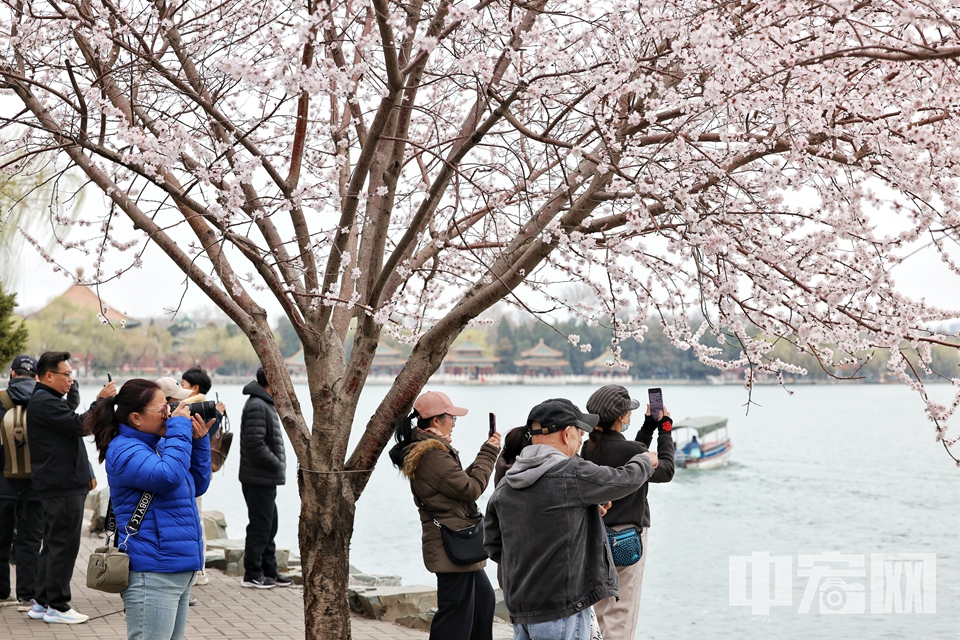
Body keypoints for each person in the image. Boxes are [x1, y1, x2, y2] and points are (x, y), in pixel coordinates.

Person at [484, 398, 658, 640]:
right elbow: (622, 480)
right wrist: (645, 461)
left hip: (522, 608)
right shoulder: (571, 473)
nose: (582, 440)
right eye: (580, 433)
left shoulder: (506, 484)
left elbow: (493, 544)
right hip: (562, 607)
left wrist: (579, 513)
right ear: (567, 435)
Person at [87, 378, 212, 640]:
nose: (170, 413)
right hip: (152, 573)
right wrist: (178, 427)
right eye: (162, 410)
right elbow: (167, 477)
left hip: (178, 568)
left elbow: (196, 485)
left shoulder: (159, 444)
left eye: (170, 407)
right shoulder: (123, 450)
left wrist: (198, 441)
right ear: (136, 418)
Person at [389, 390, 500, 640]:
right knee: (455, 617)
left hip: (457, 541)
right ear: (436, 420)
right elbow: (470, 489)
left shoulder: (434, 450)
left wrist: (485, 450)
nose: (454, 423)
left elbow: (458, 484)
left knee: (483, 601)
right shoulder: (431, 454)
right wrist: (490, 453)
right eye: (452, 418)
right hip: (450, 546)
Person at [26, 351, 115, 624]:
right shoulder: (44, 401)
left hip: (59, 483)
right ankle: (58, 606)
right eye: (66, 375)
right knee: (63, 546)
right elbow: (80, 425)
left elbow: (72, 422)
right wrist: (101, 401)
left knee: (53, 545)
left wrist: (89, 400)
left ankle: (41, 602)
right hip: (61, 484)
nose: (70, 380)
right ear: (48, 375)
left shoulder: (48, 400)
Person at [580, 385, 675, 640]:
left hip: (596, 535)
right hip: (628, 538)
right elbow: (665, 470)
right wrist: (665, 429)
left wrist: (647, 428)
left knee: (599, 607)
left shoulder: (588, 450)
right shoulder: (632, 452)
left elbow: (630, 453)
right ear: (622, 417)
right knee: (623, 609)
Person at [238, 366, 290, 589]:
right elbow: (255, 444)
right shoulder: (258, 405)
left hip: (264, 478)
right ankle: (253, 573)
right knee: (260, 526)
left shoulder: (264, 403)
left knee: (270, 524)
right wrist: (277, 464)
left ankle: (270, 570)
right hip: (258, 477)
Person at [176, 367, 226, 588]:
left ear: (194, 387)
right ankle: (198, 570)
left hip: (189, 475)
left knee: (195, 523)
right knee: (196, 522)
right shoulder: (207, 406)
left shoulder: (190, 406)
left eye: (183, 384)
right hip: (195, 473)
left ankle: (198, 571)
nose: (180, 389)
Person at [0, 355, 42, 611]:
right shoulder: (44, 401)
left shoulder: (0, 399)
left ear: (13, 374)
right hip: (35, 485)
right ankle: (28, 594)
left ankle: (2, 593)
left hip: (2, 484)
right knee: (30, 541)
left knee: (1, 541)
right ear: (36, 377)